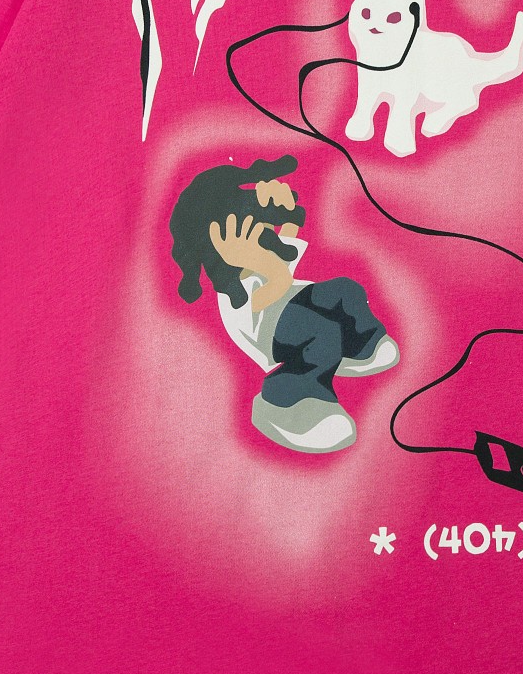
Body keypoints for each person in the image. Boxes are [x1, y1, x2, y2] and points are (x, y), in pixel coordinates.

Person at [168, 156, 399, 452]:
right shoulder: (233, 289)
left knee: (345, 289)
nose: (259, 229)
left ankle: (358, 345)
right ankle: (288, 401)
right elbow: (274, 287)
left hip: (290, 304)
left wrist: (287, 218)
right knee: (321, 331)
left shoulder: (259, 256)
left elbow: (285, 260)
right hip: (267, 333)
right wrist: (257, 259)